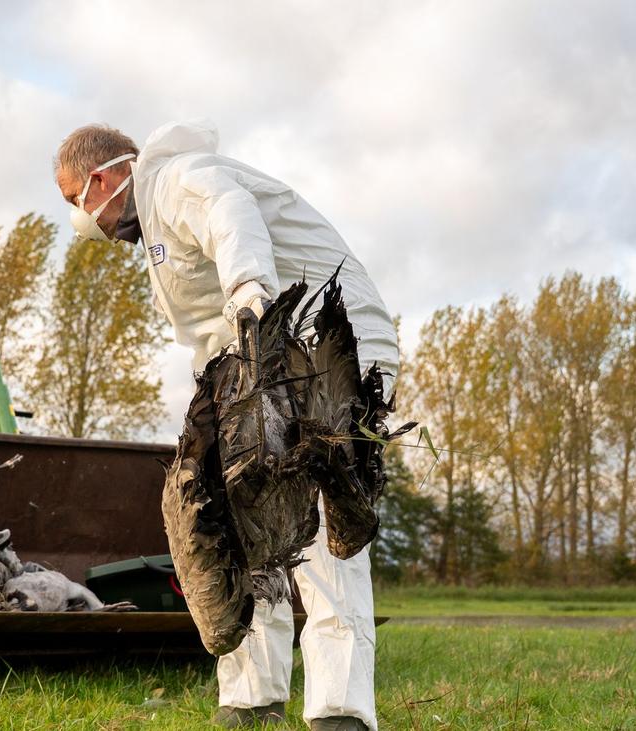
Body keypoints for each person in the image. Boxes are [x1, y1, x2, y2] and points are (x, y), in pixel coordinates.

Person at [53, 120, 399, 731]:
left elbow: (229, 213)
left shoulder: (176, 179)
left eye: (72, 199)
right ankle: (250, 699)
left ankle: (340, 712)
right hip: (258, 356)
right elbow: (208, 327)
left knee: (318, 522)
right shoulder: (155, 228)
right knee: (237, 520)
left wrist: (248, 287)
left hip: (325, 342)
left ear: (100, 179)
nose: (82, 220)